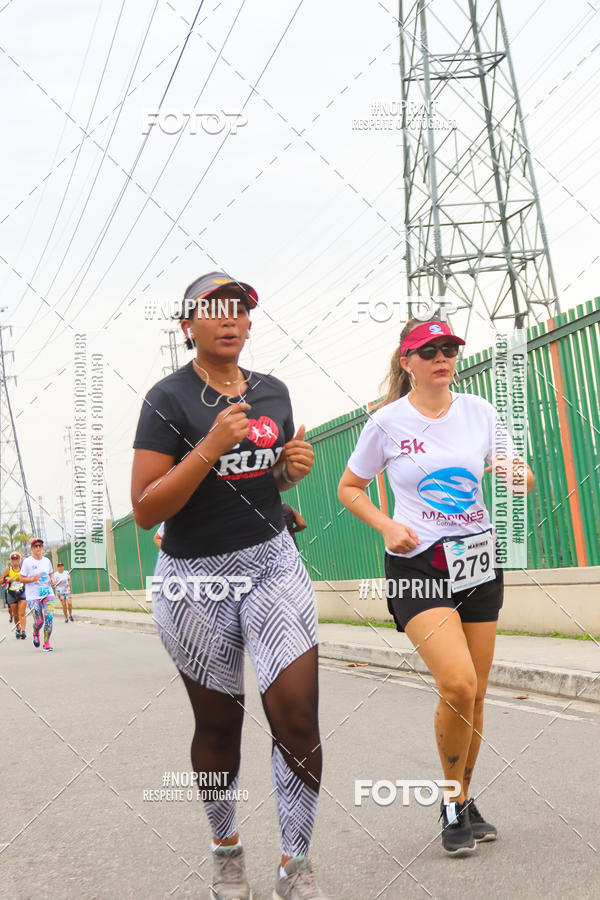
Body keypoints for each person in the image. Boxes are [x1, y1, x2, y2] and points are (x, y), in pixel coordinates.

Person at [131, 272, 329, 899]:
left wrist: (287, 473)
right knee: (219, 726)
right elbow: (145, 509)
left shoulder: (273, 392)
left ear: (249, 323)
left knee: (296, 715)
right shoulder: (167, 399)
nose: (229, 319)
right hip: (195, 581)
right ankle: (227, 851)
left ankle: (294, 866)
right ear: (187, 325)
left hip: (271, 563)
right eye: (212, 310)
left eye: (239, 309)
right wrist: (211, 445)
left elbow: (259, 482)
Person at [338, 318, 534, 856]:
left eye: (448, 349)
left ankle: (465, 797)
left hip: (477, 560)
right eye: (429, 351)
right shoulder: (386, 423)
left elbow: (520, 474)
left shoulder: (480, 412)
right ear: (407, 361)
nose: (442, 358)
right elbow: (349, 487)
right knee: (457, 683)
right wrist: (385, 526)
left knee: (477, 690)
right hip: (419, 563)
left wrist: (512, 473)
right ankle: (450, 800)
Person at [19, 538, 56, 651]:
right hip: (33, 596)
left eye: (40, 545)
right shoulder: (27, 562)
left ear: (42, 547)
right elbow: (21, 578)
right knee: (39, 621)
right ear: (32, 548)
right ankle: (36, 632)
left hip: (47, 593)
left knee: (49, 617)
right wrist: (32, 579)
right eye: (36, 546)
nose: (38, 548)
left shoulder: (47, 561)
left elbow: (51, 574)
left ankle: (46, 643)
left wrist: (53, 580)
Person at [2, 552, 26, 639]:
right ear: (11, 561)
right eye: (13, 559)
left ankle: (23, 631)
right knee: (15, 614)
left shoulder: (23, 569)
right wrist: (7, 579)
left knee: (22, 613)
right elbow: (1, 580)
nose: (15, 561)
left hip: (22, 592)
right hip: (11, 593)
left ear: (19, 560)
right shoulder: (8, 569)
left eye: (17, 559)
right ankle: (18, 628)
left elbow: (28, 577)